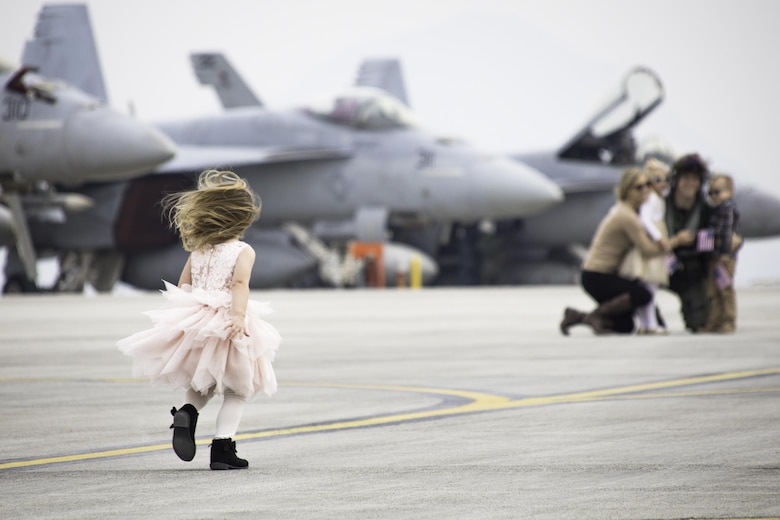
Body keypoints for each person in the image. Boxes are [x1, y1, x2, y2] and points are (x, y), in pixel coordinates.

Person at [117, 170, 281, 470]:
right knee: (237, 390)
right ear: (242, 218)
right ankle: (222, 450)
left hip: (198, 319)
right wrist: (239, 316)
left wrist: (185, 317)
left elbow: (184, 287)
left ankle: (188, 413)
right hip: (228, 321)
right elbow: (239, 285)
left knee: (202, 383)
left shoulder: (199, 251)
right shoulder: (243, 250)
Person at [560, 167, 693, 335]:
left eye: (647, 185)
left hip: (603, 275)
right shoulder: (627, 216)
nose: (645, 190)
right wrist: (676, 241)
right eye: (639, 187)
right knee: (643, 295)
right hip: (597, 275)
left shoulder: (627, 211)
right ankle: (595, 317)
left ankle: (577, 316)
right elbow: (647, 250)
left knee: (624, 326)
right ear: (627, 190)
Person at [664, 153, 714, 332]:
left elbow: (708, 250)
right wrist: (676, 241)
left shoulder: (705, 210)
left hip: (693, 267)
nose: (690, 183)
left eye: (695, 178)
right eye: (686, 178)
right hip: (662, 262)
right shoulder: (661, 206)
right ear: (676, 180)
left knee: (700, 322)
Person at [636, 158, 672, 334]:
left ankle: (646, 324)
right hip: (652, 245)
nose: (662, 183)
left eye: (665, 179)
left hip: (652, 242)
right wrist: (659, 238)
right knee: (650, 287)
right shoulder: (651, 198)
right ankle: (649, 324)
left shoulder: (656, 198)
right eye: (657, 180)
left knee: (649, 287)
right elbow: (645, 219)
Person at [701, 173, 740, 333]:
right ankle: (715, 322)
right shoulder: (716, 209)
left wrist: (724, 253)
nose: (714, 196)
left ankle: (729, 321)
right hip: (714, 257)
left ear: (730, 191)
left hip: (724, 258)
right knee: (713, 291)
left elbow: (725, 232)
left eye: (718, 192)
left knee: (725, 290)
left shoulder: (727, 208)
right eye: (711, 193)